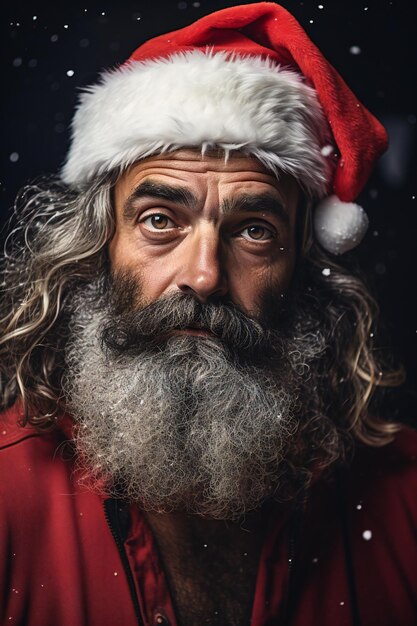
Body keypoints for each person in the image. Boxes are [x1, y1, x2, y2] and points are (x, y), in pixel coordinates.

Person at [0, 3, 416, 625]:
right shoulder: (6, 495)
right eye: (160, 221)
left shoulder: (405, 503)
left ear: (303, 269)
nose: (203, 275)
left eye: (253, 230)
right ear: (96, 250)